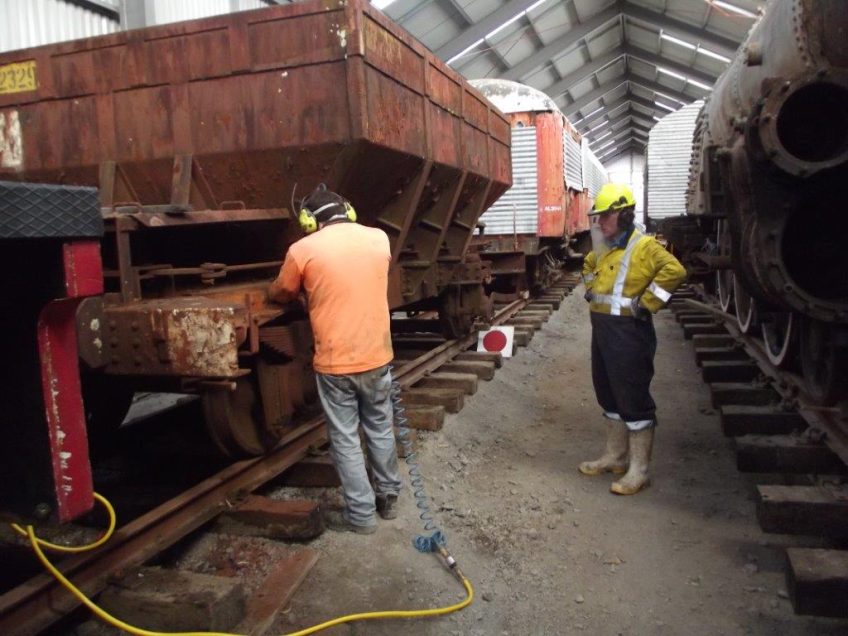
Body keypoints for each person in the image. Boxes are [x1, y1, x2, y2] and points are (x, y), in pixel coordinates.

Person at [269, 185, 401, 533]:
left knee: (345, 438)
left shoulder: (302, 249)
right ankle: (387, 498)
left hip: (334, 364)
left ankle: (361, 517)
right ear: (348, 211)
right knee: (379, 426)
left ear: (309, 221)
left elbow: (282, 291)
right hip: (377, 357)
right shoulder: (379, 239)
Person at [579, 183, 686, 495]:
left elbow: (674, 271)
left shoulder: (644, 247)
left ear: (624, 215)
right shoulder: (605, 246)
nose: (599, 223)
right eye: (597, 217)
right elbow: (587, 266)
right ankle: (614, 456)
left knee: (632, 397)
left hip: (629, 333)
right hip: (603, 331)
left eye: (605, 216)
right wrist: (589, 288)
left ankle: (638, 470)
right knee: (608, 392)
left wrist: (649, 302)